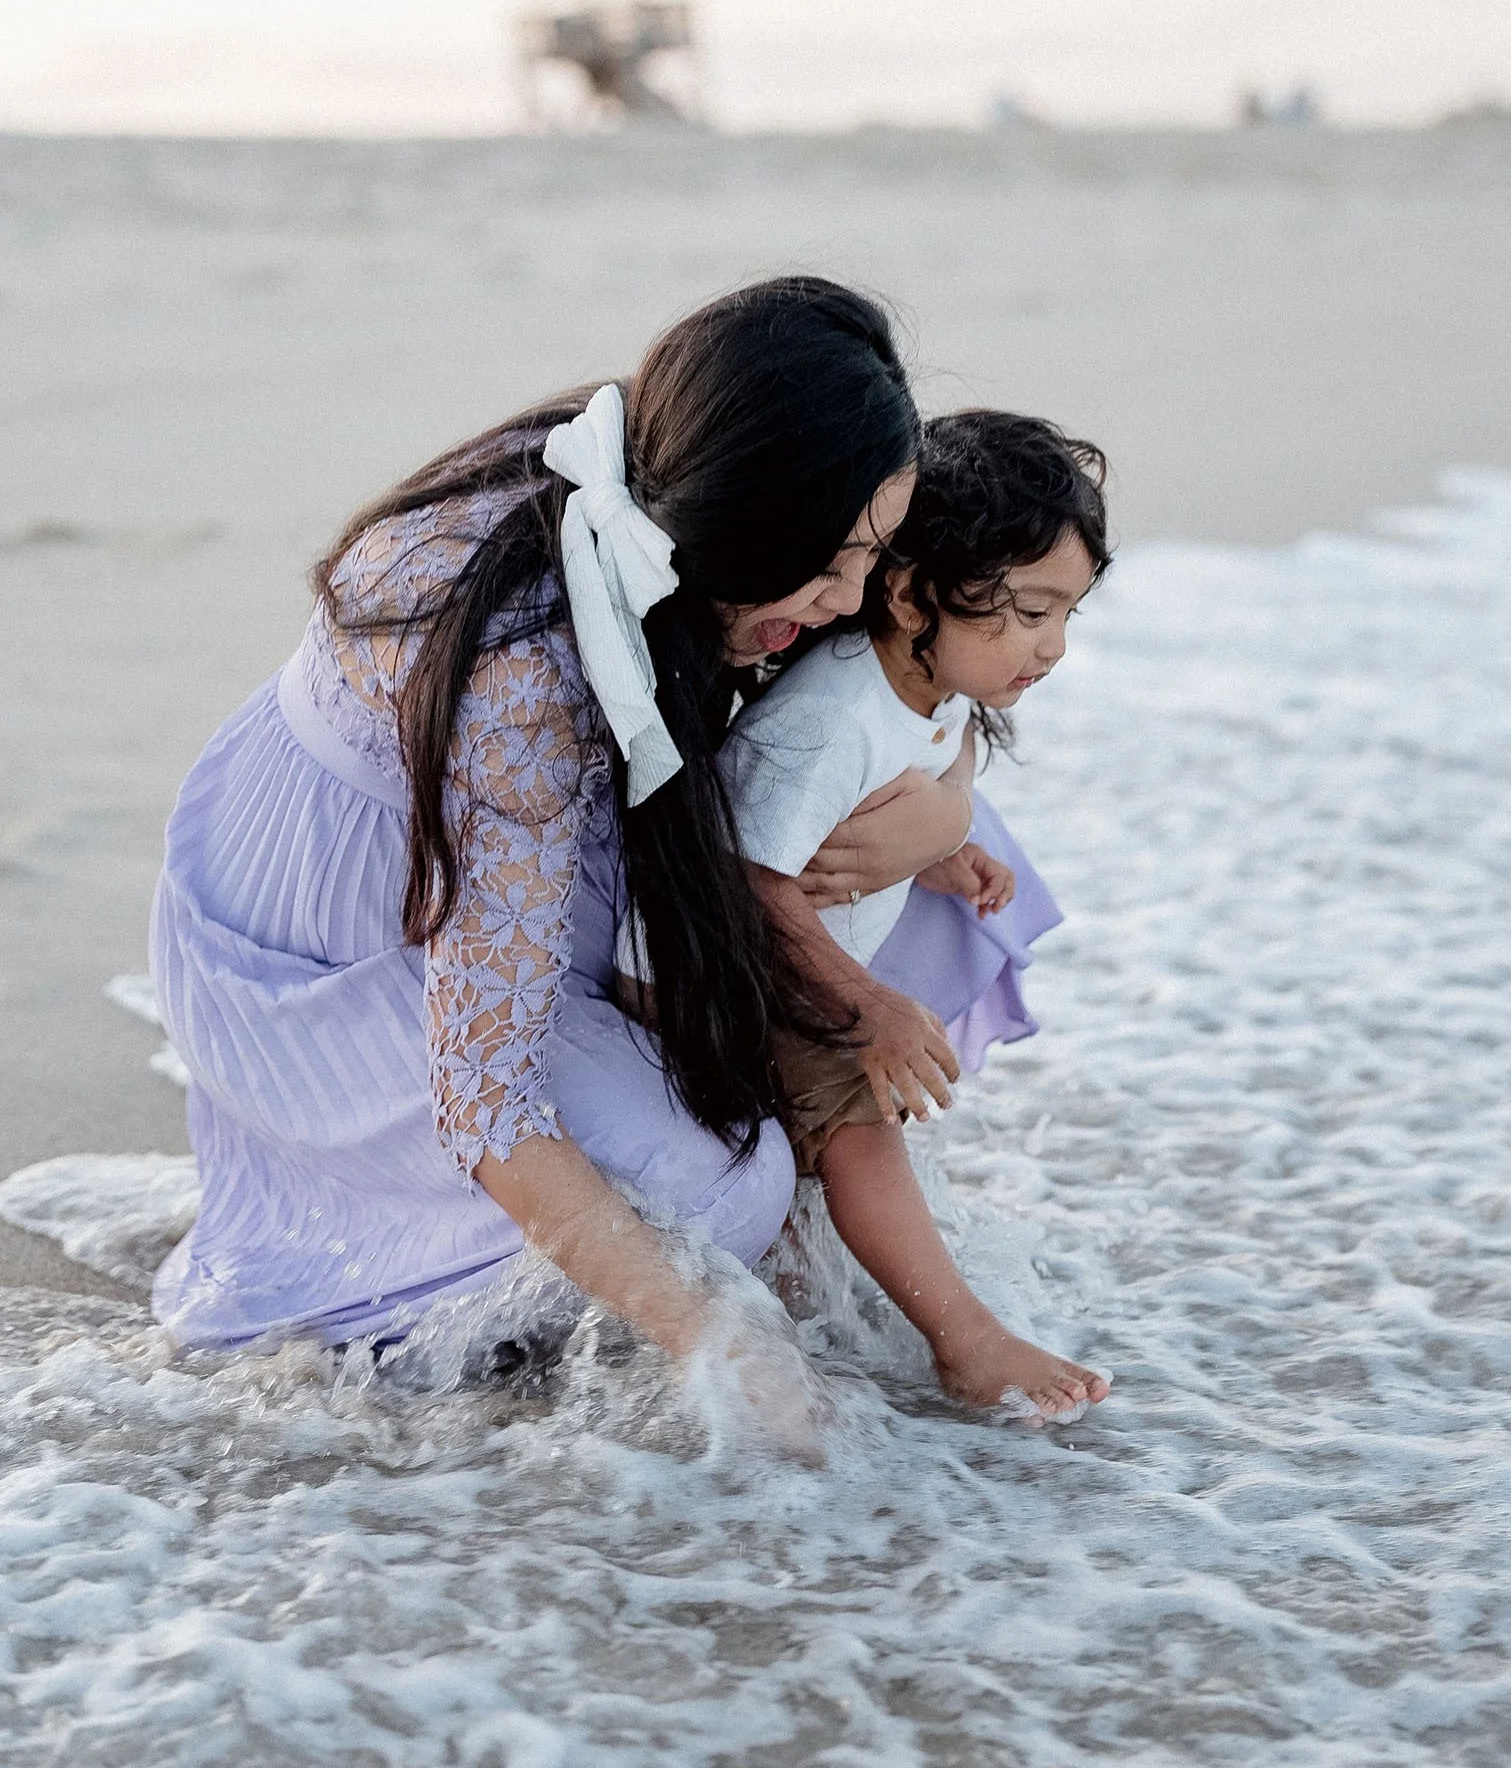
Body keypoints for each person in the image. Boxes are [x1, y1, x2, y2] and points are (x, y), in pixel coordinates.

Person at [149, 278, 966, 1372]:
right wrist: (718, 1346)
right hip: (339, 928)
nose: (847, 599)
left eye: (869, 555)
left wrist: (942, 813)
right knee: (718, 1192)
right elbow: (483, 1102)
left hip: (524, 838)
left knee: (912, 853)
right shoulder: (525, 670)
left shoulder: (662, 462)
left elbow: (941, 682)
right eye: (828, 565)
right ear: (735, 523)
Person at [623, 409, 1114, 1418]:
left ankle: (819, 1288)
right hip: (706, 972)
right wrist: (866, 1004)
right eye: (1023, 612)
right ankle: (963, 1341)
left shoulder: (927, 684)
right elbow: (749, 878)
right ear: (904, 592)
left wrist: (940, 854)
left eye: (1067, 613)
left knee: (835, 1134)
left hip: (764, 957)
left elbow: (837, 834)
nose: (1052, 646)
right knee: (861, 1121)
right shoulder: (829, 716)